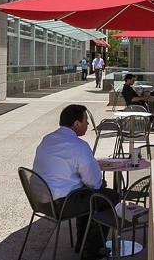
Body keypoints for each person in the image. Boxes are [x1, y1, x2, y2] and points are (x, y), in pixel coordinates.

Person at [33, 104, 118, 259]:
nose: (87, 124)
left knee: (87, 194)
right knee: (107, 197)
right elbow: (94, 182)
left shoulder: (47, 139)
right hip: (61, 204)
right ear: (77, 124)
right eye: (86, 120)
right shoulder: (79, 146)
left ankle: (82, 242)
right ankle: (92, 249)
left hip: (40, 201)